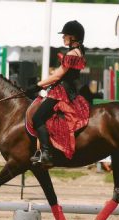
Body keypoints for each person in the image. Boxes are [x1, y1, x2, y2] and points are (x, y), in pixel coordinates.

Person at [26, 20, 88, 167]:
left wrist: (36, 86)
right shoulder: (77, 52)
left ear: (73, 37)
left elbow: (57, 76)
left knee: (38, 117)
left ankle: (46, 153)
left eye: (65, 35)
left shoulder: (72, 53)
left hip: (62, 92)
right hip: (68, 90)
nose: (63, 38)